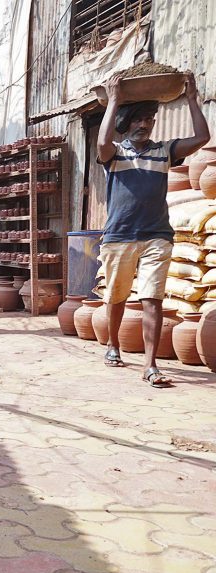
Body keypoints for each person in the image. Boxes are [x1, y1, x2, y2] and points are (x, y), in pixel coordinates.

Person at [97, 72, 209, 387]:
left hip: (157, 236)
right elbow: (102, 143)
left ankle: (150, 365)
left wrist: (191, 99)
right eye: (138, 119)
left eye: (150, 119)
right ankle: (113, 344)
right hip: (119, 237)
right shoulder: (116, 153)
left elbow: (202, 139)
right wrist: (115, 100)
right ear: (126, 123)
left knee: (152, 298)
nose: (145, 124)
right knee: (117, 297)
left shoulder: (165, 151)